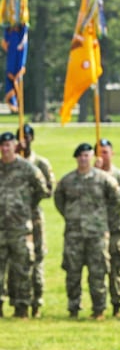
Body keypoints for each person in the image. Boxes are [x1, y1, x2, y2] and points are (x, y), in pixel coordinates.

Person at [54, 143, 120, 319]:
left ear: (92, 157)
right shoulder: (67, 180)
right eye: (81, 156)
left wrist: (101, 218)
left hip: (97, 235)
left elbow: (117, 201)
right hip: (74, 234)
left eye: (87, 155)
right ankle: (73, 308)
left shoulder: (104, 179)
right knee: (72, 273)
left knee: (98, 272)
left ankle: (99, 308)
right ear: (76, 158)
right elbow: (59, 200)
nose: (84, 159)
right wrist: (71, 216)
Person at [0, 131, 49, 318]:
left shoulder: (27, 168)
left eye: (9, 145)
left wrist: (27, 204)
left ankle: (22, 307)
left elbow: (43, 190)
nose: (5, 149)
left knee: (22, 269)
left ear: (15, 146)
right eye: (2, 146)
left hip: (20, 228)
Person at [12, 124, 54, 317]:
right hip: (11, 221)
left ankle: (36, 302)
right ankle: (16, 301)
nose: (23, 141)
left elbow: (49, 190)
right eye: (20, 138)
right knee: (15, 262)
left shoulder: (40, 163)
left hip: (33, 219)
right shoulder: (8, 165)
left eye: (27, 137)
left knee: (36, 260)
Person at [95, 138, 120, 317]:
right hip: (95, 229)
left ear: (112, 153)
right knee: (97, 269)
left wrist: (110, 187)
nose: (101, 156)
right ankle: (99, 307)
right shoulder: (90, 176)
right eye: (98, 152)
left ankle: (117, 305)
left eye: (104, 152)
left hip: (114, 229)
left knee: (115, 268)